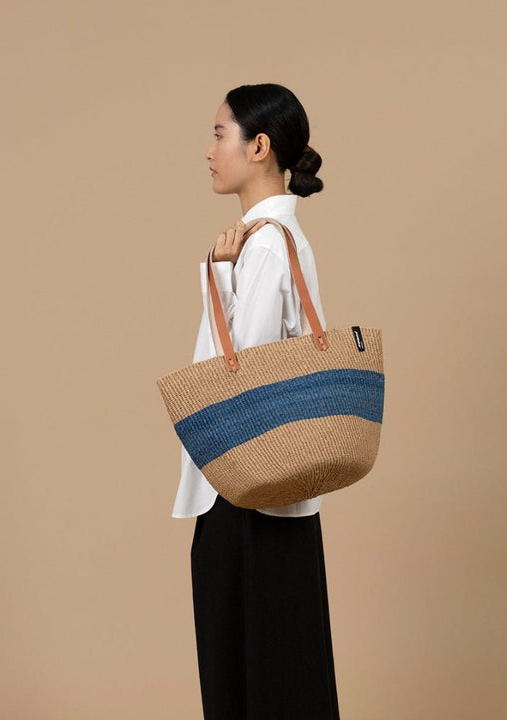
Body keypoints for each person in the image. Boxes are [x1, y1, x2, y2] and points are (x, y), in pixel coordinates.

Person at [173, 83, 341, 720]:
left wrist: (219, 277)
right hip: (274, 491)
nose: (210, 150)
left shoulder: (265, 244)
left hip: (244, 488)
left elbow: (239, 375)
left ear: (259, 145)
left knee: (245, 674)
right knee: (282, 665)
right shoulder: (275, 238)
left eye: (220, 134)